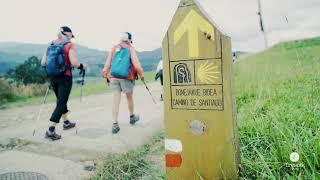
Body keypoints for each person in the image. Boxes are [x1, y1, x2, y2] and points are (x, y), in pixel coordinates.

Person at [41, 26, 87, 140]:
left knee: (61, 100)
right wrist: (82, 66)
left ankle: (66, 122)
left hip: (53, 77)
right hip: (65, 77)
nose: (72, 38)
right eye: (71, 35)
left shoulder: (50, 44)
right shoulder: (69, 45)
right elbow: (75, 63)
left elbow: (43, 62)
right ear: (67, 34)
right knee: (61, 102)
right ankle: (50, 130)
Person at [103, 32, 144, 134]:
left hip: (113, 77)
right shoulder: (130, 49)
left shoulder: (114, 48)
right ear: (129, 40)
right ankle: (132, 117)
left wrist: (105, 75)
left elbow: (107, 64)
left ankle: (115, 124)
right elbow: (137, 66)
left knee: (115, 100)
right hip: (126, 77)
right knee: (129, 97)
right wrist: (141, 75)